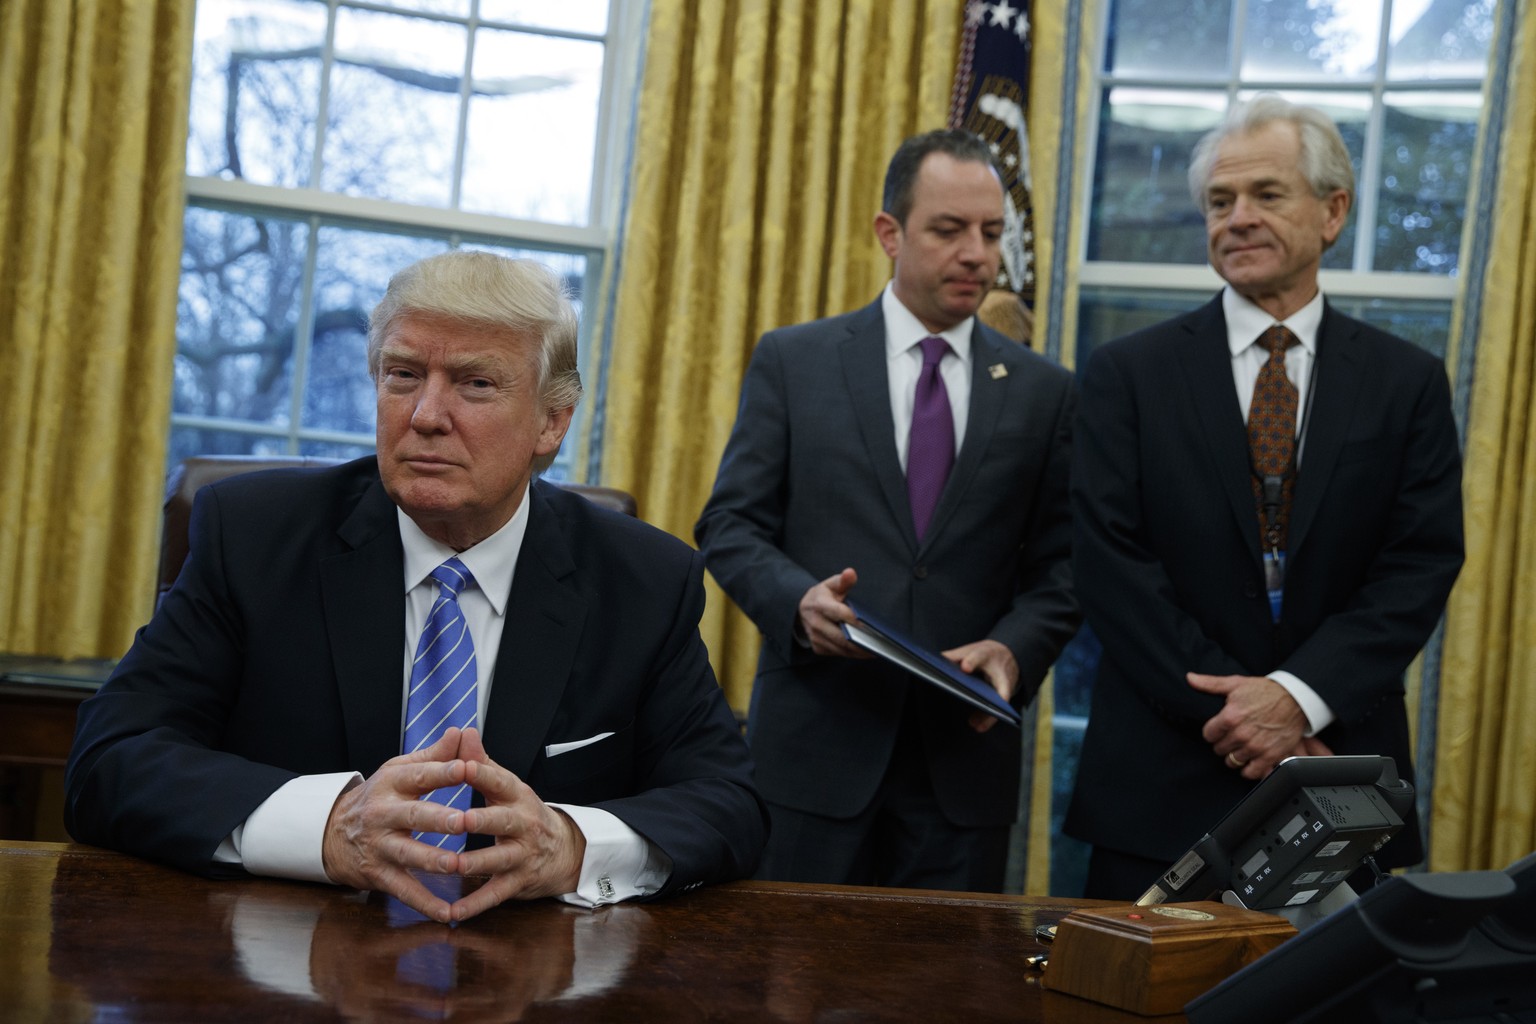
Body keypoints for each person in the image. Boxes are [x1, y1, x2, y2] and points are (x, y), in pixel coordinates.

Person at [65, 251, 768, 923]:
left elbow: (728, 803)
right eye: (402, 374)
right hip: (279, 957)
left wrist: (572, 846)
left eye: (476, 383)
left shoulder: (642, 580)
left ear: (552, 422)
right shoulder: (254, 536)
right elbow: (110, 759)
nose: (426, 414)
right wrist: (328, 827)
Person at [1064, 95, 1465, 899]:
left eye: (1266, 195)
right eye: (1220, 201)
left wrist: (1298, 699)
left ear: (1333, 211)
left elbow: (1417, 565)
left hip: (1336, 775)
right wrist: (1249, 719)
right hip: (1161, 782)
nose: (1238, 217)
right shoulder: (1125, 375)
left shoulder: (1405, 383)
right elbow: (1110, 564)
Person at [695, 129, 1078, 892]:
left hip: (962, 771)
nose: (976, 253)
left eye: (992, 233)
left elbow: (1064, 567)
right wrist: (796, 602)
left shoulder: (1046, 392)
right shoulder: (796, 361)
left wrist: (1013, 650)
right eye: (949, 230)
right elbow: (730, 525)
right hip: (814, 757)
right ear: (889, 233)